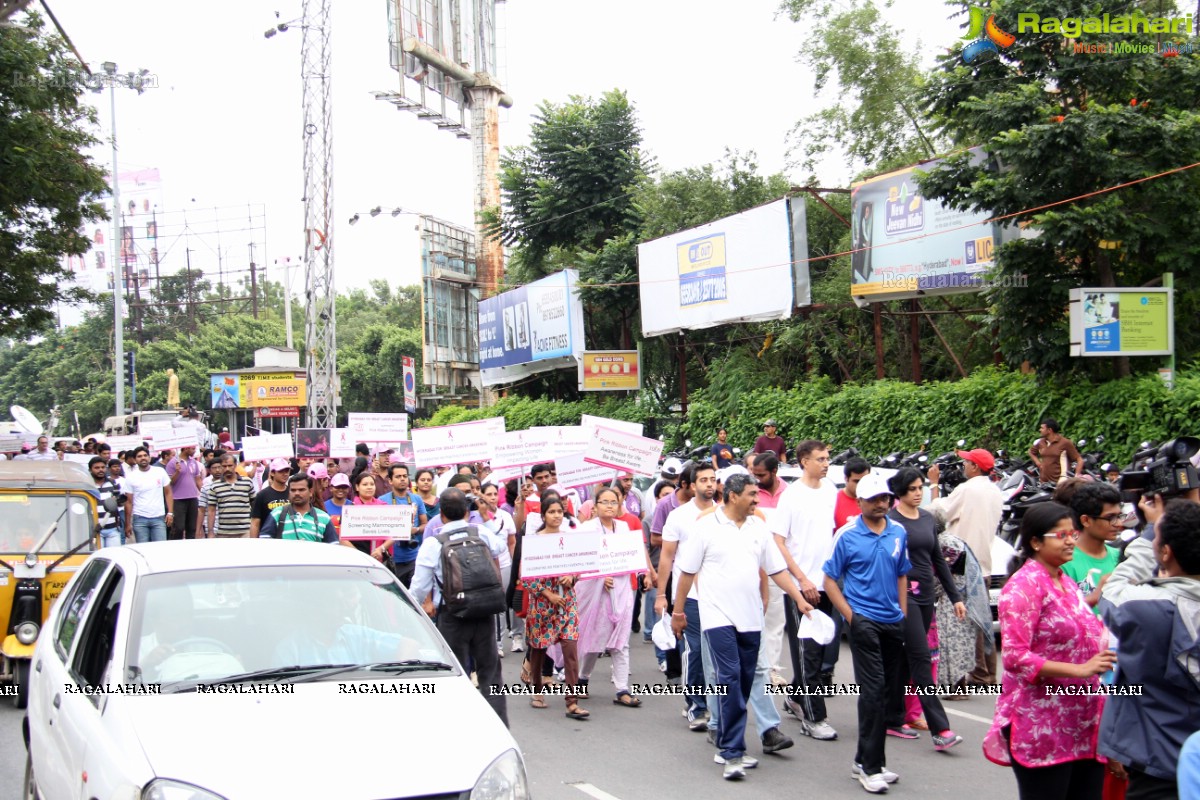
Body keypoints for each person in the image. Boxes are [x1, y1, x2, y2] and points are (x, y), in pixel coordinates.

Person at [672, 474, 814, 781]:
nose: (756, 500)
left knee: (746, 682)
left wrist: (799, 600)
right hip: (717, 618)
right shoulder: (705, 528)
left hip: (751, 619)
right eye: (751, 494)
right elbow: (686, 572)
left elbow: (777, 570)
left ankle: (724, 742)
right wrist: (678, 611)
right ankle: (733, 754)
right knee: (730, 678)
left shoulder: (759, 528)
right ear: (734, 496)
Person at [981, 502, 1111, 800]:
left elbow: (1066, 620)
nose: (1070, 541)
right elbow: (1015, 657)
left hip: (1081, 717)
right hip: (1042, 722)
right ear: (1036, 542)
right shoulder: (1023, 586)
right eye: (1061, 535)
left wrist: (1095, 597)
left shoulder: (1063, 579)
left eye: (1072, 534)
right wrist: (1080, 670)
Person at [1097, 497, 1200, 799]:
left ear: (1165, 552)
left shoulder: (1146, 609)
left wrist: (1149, 532)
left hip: (1157, 761)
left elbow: (1112, 591)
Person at [823, 471, 913, 794]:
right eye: (873, 499)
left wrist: (901, 612)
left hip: (892, 621)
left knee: (888, 692)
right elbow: (829, 580)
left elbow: (902, 572)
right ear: (859, 501)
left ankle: (864, 759)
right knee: (872, 692)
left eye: (885, 498)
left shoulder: (899, 532)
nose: (881, 504)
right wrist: (851, 616)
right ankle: (870, 769)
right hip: (863, 621)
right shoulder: (846, 535)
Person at [410, 488, 509, 725]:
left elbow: (419, 586)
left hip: (452, 616)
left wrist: (413, 609)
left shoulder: (434, 543)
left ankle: (459, 726)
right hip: (484, 611)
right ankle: (499, 727)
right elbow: (500, 547)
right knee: (490, 673)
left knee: (455, 674)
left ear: (441, 514)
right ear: (466, 512)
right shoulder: (481, 533)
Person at [885, 467, 964, 749]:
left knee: (906, 660)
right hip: (902, 597)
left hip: (926, 595)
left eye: (921, 488)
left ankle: (892, 718)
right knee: (920, 656)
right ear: (899, 492)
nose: (918, 493)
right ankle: (940, 729)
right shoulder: (890, 522)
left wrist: (955, 597)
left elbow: (938, 561)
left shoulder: (928, 519)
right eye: (912, 489)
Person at [770, 439, 839, 740]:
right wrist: (802, 580)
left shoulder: (831, 491)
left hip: (828, 584)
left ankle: (797, 698)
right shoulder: (791, 496)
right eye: (820, 459)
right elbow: (778, 541)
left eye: (827, 458)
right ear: (803, 461)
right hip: (801, 587)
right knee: (808, 654)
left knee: (819, 650)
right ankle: (814, 718)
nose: (826, 463)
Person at [928, 447, 1003, 686]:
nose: (963, 466)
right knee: (981, 618)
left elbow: (939, 512)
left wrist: (933, 485)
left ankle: (972, 674)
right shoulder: (995, 490)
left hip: (960, 558)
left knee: (961, 620)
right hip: (983, 560)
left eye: (967, 462)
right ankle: (987, 675)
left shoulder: (967, 489)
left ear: (976, 467)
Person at [576, 487, 648, 707]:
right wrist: (599, 577)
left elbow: (633, 556)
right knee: (594, 637)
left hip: (623, 587)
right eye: (604, 502)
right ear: (595, 506)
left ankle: (622, 689)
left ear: (619, 505)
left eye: (613, 502)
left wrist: (644, 573)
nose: (609, 505)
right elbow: (581, 561)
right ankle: (582, 679)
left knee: (621, 640)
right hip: (597, 591)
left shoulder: (625, 527)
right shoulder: (586, 529)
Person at [518, 493, 587, 720]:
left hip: (566, 602)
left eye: (559, 511)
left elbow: (580, 564)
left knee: (570, 648)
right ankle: (537, 691)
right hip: (542, 605)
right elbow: (526, 576)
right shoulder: (535, 542)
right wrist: (547, 594)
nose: (556, 516)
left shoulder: (569, 539)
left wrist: (572, 576)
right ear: (543, 515)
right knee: (538, 649)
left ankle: (572, 700)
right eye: (552, 512)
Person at [654, 464, 709, 730]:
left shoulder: (723, 515)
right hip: (690, 595)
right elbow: (666, 557)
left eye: (713, 479)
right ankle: (696, 705)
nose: (709, 484)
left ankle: (715, 703)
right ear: (690, 484)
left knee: (717, 653)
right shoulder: (678, 517)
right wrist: (662, 595)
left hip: (719, 595)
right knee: (695, 649)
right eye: (703, 480)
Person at [1063, 482, 1125, 610]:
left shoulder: (1121, 557)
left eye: (1119, 516)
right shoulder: (1064, 563)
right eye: (1110, 518)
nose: (1118, 523)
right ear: (1085, 520)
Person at [477, 480, 519, 657]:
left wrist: (515, 565)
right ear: (482, 496)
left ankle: (517, 636)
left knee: (510, 601)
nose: (493, 498)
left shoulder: (505, 516)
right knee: (497, 606)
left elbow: (511, 542)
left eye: (495, 494)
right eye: (489, 494)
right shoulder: (476, 517)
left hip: (506, 564)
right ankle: (498, 642)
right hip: (487, 566)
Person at [371, 464, 429, 587]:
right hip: (392, 558)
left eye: (405, 476)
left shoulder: (416, 499)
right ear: (390, 481)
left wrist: (415, 530)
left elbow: (425, 524)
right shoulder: (382, 501)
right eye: (398, 476)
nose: (402, 479)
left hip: (413, 556)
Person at [260, 473, 344, 544]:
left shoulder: (324, 518)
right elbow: (264, 542)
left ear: (310, 492)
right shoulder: (277, 514)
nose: (296, 493)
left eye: (301, 490)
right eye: (293, 490)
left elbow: (333, 547)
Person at [125, 446, 174, 543]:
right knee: (143, 550)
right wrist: (127, 524)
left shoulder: (159, 472)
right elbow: (129, 502)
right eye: (139, 456)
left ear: (149, 457)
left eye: (145, 455)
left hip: (159, 518)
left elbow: (168, 493)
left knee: (160, 548)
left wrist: (170, 513)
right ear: (135, 459)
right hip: (139, 519)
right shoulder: (131, 477)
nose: (143, 458)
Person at [205, 453, 256, 538]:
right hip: (224, 532)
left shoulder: (247, 482)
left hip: (245, 531)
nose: (227, 469)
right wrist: (210, 532)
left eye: (230, 465)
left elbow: (254, 505)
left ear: (235, 465)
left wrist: (255, 526)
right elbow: (211, 510)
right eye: (224, 466)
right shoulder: (215, 486)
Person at [165, 445, 203, 541]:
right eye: (193, 449)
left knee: (192, 527)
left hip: (193, 498)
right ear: (186, 448)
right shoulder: (172, 463)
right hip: (178, 499)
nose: (194, 451)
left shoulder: (194, 462)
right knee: (179, 527)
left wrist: (203, 493)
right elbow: (170, 482)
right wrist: (177, 472)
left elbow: (197, 479)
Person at [1028, 418, 1082, 485]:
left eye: (1042, 428)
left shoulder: (1065, 443)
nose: (1040, 430)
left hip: (1060, 483)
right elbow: (1031, 452)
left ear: (1049, 430)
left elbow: (1079, 460)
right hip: (1044, 483)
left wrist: (1076, 477)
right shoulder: (1041, 442)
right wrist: (1038, 463)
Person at [249, 458, 292, 538]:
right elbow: (255, 523)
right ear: (272, 473)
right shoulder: (262, 495)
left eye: (287, 471)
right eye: (281, 471)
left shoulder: (292, 493)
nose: (285, 474)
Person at [89, 456, 124, 548]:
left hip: (113, 529)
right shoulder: (87, 486)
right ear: (90, 470)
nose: (100, 470)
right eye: (97, 468)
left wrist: (118, 501)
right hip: (95, 530)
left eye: (102, 467)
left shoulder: (113, 484)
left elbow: (120, 505)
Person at [836, 457, 872, 530]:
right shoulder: (834, 502)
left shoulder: (875, 501)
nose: (861, 484)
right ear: (846, 479)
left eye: (864, 480)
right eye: (856, 481)